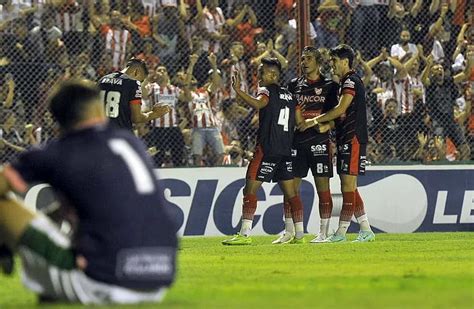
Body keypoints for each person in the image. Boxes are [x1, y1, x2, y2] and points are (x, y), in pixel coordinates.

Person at [0, 79, 178, 304]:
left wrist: (6, 238)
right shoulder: (130, 143)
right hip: (159, 277)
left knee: (3, 206)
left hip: (103, 282)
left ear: (58, 119)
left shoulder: (59, 152)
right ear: (97, 108)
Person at [222, 57, 304, 245]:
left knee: (250, 188)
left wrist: (238, 91)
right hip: (286, 150)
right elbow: (300, 122)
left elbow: (259, 104)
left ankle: (244, 235)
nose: (259, 75)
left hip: (267, 149)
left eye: (262, 72)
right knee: (291, 193)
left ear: (273, 74)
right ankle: (299, 235)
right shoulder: (291, 96)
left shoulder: (266, 90)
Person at [300, 44, 375, 243]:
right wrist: (329, 126)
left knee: (347, 186)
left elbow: (342, 108)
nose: (331, 64)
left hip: (353, 138)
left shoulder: (350, 81)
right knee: (350, 186)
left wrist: (315, 120)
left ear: (344, 61)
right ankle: (366, 229)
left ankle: (341, 233)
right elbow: (343, 115)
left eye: (334, 61)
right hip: (345, 137)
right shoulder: (344, 82)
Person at [273, 46, 339, 244]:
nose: (304, 62)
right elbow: (288, 111)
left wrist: (326, 125)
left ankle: (323, 232)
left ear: (318, 62)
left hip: (319, 143)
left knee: (323, 189)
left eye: (308, 58)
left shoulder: (330, 86)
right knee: (290, 189)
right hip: (297, 142)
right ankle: (289, 231)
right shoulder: (293, 85)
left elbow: (338, 115)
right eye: (302, 59)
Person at [98, 58, 171, 132]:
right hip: (120, 133)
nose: (140, 83)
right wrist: (154, 114)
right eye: (141, 80)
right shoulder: (134, 83)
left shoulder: (103, 79)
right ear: (136, 72)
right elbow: (136, 118)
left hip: (100, 130)